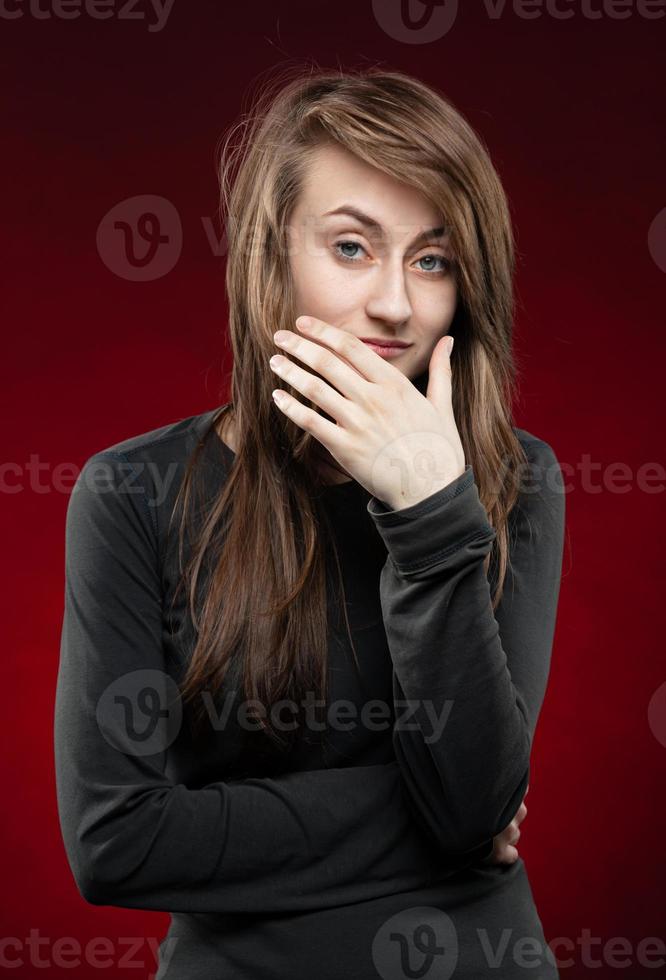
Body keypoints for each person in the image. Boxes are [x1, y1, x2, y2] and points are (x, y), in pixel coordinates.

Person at [54, 65, 566, 979]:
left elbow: (475, 798)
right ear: (269, 258)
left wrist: (431, 511)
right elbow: (119, 840)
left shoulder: (514, 480)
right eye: (352, 248)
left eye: (433, 260)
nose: (397, 305)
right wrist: (443, 822)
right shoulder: (131, 493)